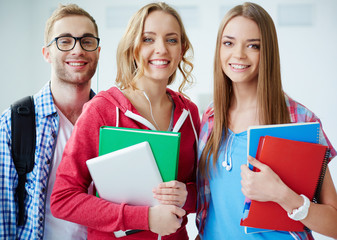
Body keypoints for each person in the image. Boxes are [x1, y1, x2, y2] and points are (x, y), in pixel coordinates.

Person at [50, 2, 200, 240]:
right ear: (132, 48)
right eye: (148, 39)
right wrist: (146, 218)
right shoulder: (102, 110)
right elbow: (63, 199)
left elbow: (200, 190)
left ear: (181, 49)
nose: (161, 49)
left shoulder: (189, 113)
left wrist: (186, 196)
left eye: (171, 40)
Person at [195, 2, 337, 239]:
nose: (238, 54)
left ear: (267, 52)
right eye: (228, 43)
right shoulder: (210, 117)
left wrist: (283, 195)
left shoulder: (299, 120)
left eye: (253, 46)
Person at [0, 4, 100, 240]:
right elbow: (3, 219)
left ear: (97, 51)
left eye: (87, 41)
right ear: (47, 53)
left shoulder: (112, 121)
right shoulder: (13, 124)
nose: (78, 50)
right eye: (64, 41)